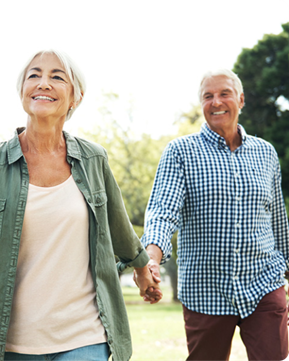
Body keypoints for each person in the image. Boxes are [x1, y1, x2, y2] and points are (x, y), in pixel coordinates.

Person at [0, 49, 162, 361]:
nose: (43, 83)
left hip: (84, 334)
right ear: (22, 91)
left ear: (76, 97)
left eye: (57, 77)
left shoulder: (93, 160)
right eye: (34, 75)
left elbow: (118, 226)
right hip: (11, 342)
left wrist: (141, 268)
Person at [141, 69, 289, 361]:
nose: (216, 102)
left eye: (224, 93)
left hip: (264, 283)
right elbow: (162, 211)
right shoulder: (181, 152)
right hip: (205, 288)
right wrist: (151, 258)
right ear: (201, 104)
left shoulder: (266, 153)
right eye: (207, 96)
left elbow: (277, 221)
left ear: (241, 99)